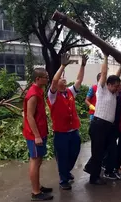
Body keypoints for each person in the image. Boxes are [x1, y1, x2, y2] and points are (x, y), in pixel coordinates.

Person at [84, 53, 121, 185]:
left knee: (108, 150)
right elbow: (104, 73)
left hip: (108, 127)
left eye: (117, 86)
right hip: (98, 125)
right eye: (114, 86)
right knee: (97, 152)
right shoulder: (102, 90)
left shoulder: (114, 94)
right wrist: (106, 57)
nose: (116, 88)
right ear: (107, 84)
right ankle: (94, 178)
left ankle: (93, 168)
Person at [46, 53, 87, 190]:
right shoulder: (52, 95)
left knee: (74, 152)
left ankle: (66, 171)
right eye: (61, 78)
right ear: (57, 84)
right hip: (61, 132)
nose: (63, 79)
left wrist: (82, 66)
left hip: (73, 130)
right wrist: (63, 66)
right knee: (62, 155)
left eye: (64, 78)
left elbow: (79, 80)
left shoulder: (69, 92)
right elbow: (53, 81)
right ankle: (63, 179)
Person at [23, 68, 53, 200]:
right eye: (45, 77)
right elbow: (29, 116)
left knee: (39, 160)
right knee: (35, 161)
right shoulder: (33, 94)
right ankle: (36, 192)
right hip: (35, 134)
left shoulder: (39, 90)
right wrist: (36, 136)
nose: (47, 79)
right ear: (38, 79)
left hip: (41, 131)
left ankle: (38, 186)